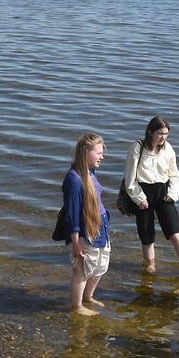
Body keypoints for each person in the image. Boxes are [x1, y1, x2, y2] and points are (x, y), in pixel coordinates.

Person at [121, 116, 179, 274]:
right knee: (147, 235)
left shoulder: (168, 149)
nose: (163, 137)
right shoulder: (137, 148)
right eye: (160, 133)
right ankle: (150, 268)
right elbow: (130, 180)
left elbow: (175, 175)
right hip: (142, 193)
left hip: (163, 193)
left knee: (174, 233)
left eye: (166, 134)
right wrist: (139, 198)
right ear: (150, 132)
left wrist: (173, 194)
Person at [64, 133, 109, 316]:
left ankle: (88, 297)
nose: (102, 156)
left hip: (100, 228)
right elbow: (72, 215)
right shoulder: (74, 180)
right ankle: (78, 306)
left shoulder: (91, 172)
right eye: (98, 153)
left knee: (99, 267)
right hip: (84, 232)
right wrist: (75, 243)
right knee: (81, 271)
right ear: (85, 153)